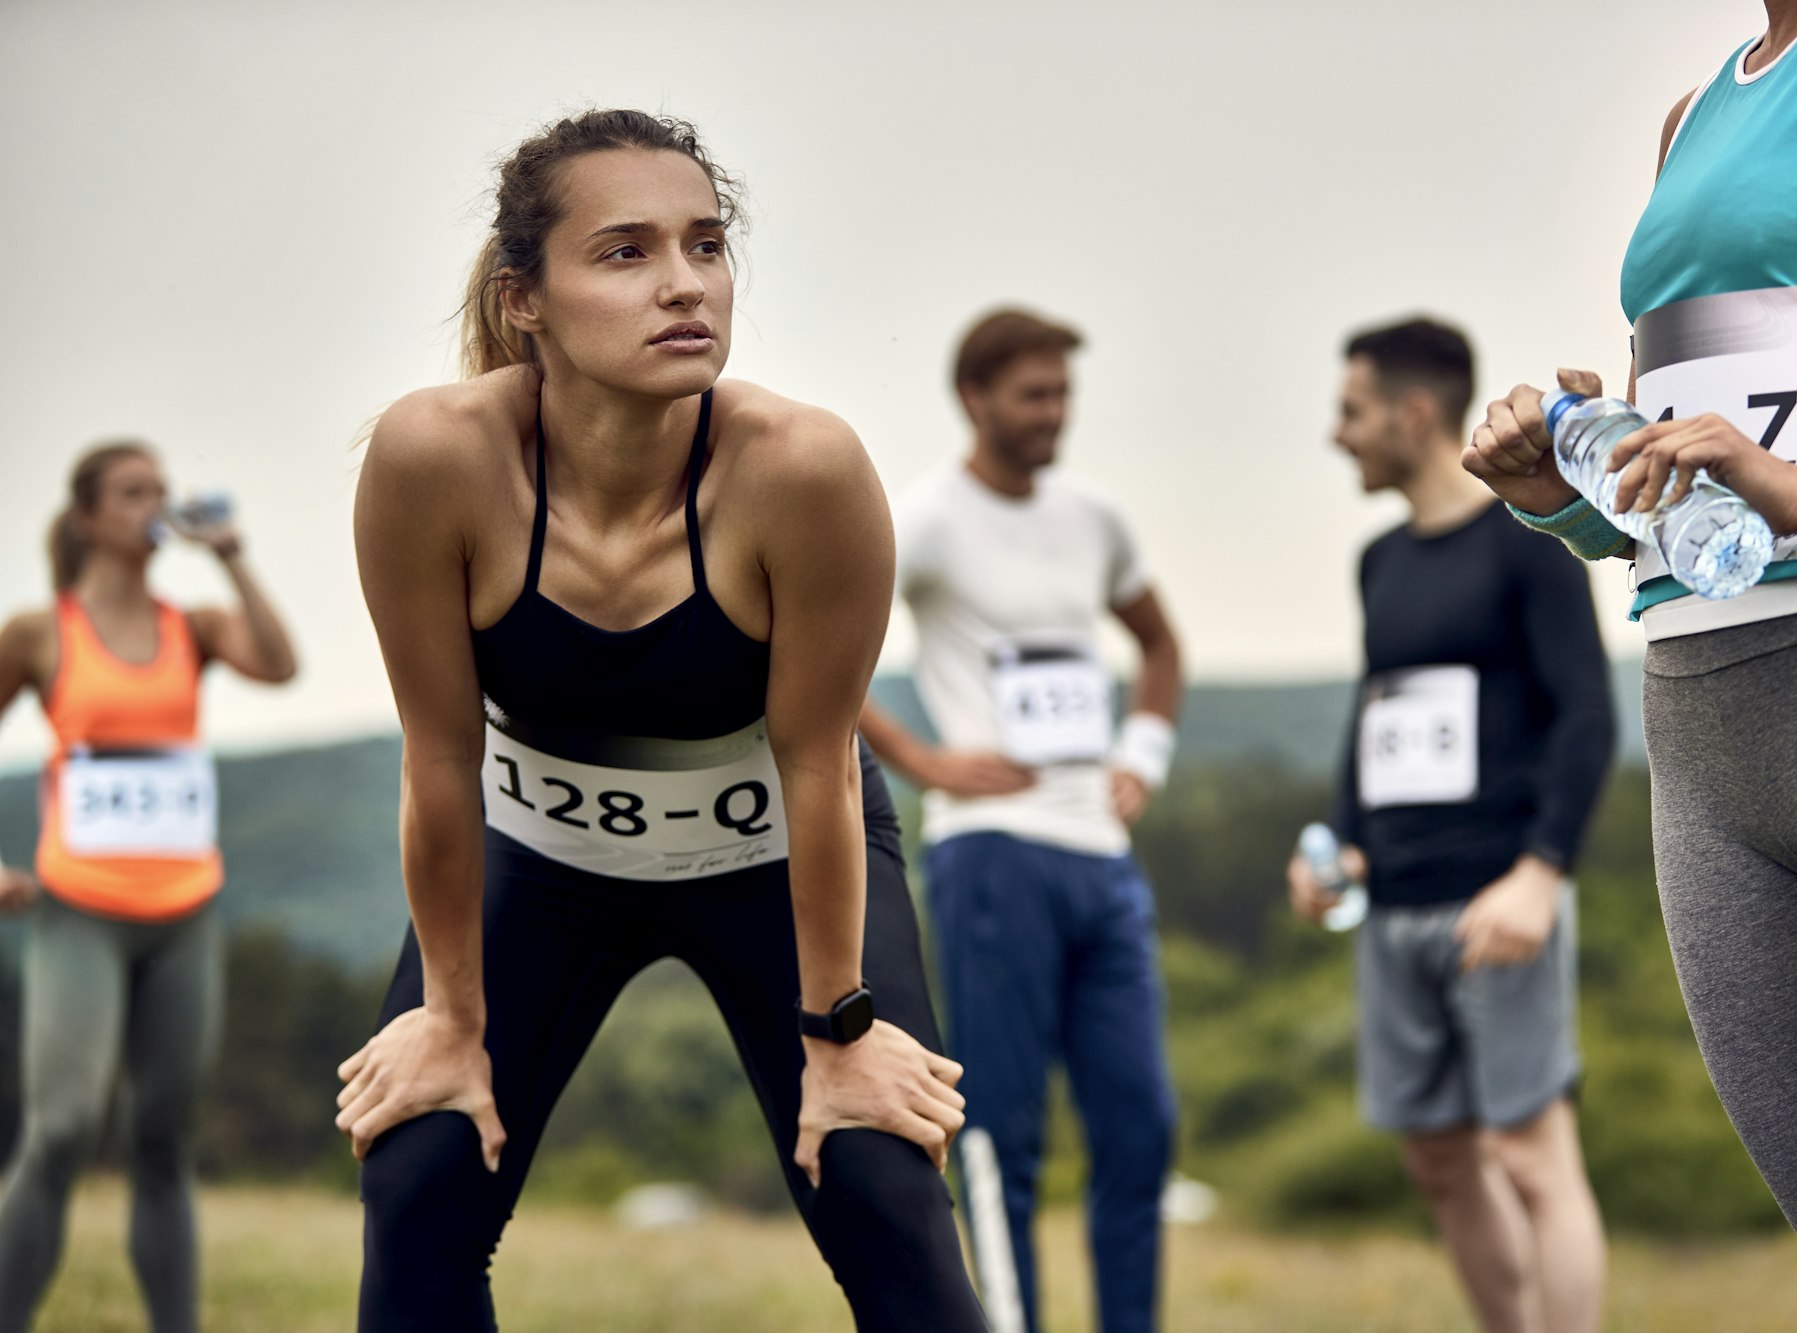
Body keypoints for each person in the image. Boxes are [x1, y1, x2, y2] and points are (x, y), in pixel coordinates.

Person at [334, 110, 986, 1332]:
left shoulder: (801, 467)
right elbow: (438, 759)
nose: (685, 284)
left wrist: (839, 1032)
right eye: (625, 252)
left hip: (781, 855)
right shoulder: (436, 456)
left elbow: (818, 770)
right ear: (524, 299)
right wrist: (451, 1021)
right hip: (544, 858)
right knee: (419, 1168)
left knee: (879, 1180)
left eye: (706, 243)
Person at [1462, 1, 1797, 1325]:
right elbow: (1704, 496)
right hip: (1709, 734)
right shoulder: (1691, 120)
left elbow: (1790, 479)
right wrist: (1560, 490)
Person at [857, 308, 1183, 1333]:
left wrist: (1142, 755)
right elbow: (821, 641)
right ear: (975, 399)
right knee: (1003, 1132)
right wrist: (916, 758)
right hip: (990, 851)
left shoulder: (1093, 514)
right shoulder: (928, 518)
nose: (1052, 414)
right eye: (1032, 394)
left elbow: (1159, 644)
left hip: (1101, 852)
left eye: (1062, 394)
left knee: (1140, 1129)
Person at [1288, 319, 1613, 1333]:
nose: (1337, 435)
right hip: (1393, 904)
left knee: (1527, 1154)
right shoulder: (1378, 562)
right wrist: (1340, 838)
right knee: (1436, 1157)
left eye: (1351, 411)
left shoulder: (1527, 546)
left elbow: (1587, 716)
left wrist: (1540, 873)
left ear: (1411, 412)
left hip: (1498, 903)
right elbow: (1375, 710)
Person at [0, 445, 297, 1332]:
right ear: (88, 516)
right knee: (60, 1130)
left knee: (164, 1142)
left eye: (161, 492)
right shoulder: (39, 633)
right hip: (78, 910)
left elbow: (279, 667)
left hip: (184, 913)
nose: (154, 505)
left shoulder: (194, 624)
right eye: (133, 493)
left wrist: (233, 553)